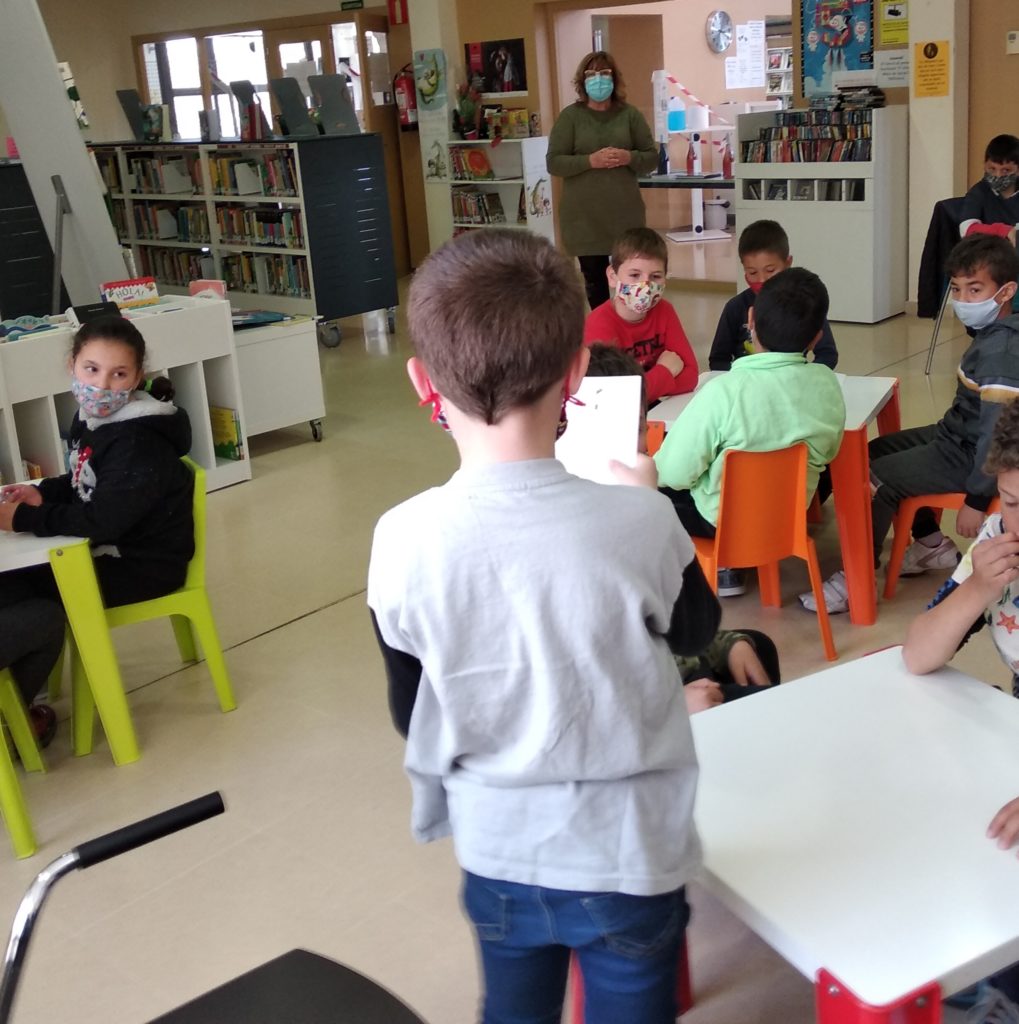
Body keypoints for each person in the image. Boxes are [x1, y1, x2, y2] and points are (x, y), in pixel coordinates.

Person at [367, 229, 719, 1024]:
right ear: (577, 373)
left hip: (498, 852)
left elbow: (412, 714)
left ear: (422, 380)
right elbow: (696, 631)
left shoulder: (399, 539)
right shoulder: (639, 521)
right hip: (629, 855)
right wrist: (650, 500)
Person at [0, 316, 194, 745]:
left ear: (136, 378)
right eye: (91, 369)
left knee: (27, 593)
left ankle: (14, 712)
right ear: (72, 365)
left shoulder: (136, 439)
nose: (102, 386)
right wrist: (41, 494)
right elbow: (83, 481)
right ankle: (15, 704)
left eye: (118, 374)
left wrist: (25, 519)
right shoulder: (93, 418)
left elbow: (103, 520)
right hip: (111, 544)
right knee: (17, 586)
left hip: (139, 564)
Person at [804, 235, 1019, 614]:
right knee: (871, 452)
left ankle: (857, 579)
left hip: (972, 454)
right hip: (956, 435)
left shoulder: (1000, 351)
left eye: (975, 290)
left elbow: (994, 438)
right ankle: (931, 543)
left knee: (871, 478)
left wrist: (976, 500)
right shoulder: (993, 335)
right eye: (957, 289)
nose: (963, 300)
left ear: (1006, 292)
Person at [902, 397, 1019, 1024]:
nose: (1018, 521)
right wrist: (977, 587)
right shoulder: (1000, 540)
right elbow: (919, 654)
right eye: (1012, 500)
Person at [583, 342, 779, 714]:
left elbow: (685, 622)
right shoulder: (584, 537)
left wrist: (727, 644)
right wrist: (672, 705)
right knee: (768, 708)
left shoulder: (633, 509)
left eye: (638, 429)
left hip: (674, 669)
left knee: (756, 647)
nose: (636, 449)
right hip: (644, 708)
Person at [654, 267, 845, 597]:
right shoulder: (826, 384)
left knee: (642, 490)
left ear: (751, 319)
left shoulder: (724, 391)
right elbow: (829, 451)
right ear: (817, 337)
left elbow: (673, 473)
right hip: (786, 519)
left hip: (719, 523)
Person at [547, 50, 657, 311]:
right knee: (596, 284)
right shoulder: (570, 117)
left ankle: (631, 327)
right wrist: (590, 161)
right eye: (591, 74)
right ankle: (604, 333)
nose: (598, 79)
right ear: (582, 81)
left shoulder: (629, 115)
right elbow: (554, 162)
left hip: (625, 216)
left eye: (604, 73)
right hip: (584, 219)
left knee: (633, 280)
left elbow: (652, 158)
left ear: (614, 78)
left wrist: (628, 157)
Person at [583, 227, 698, 404]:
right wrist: (665, 370)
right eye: (635, 275)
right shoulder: (598, 324)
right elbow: (613, 398)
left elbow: (691, 376)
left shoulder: (664, 310)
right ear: (612, 277)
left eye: (656, 276)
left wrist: (639, 390)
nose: (645, 286)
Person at [709, 219, 838, 371]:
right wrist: (739, 377)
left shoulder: (805, 303)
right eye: (752, 272)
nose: (762, 280)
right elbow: (718, 359)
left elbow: (827, 354)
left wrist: (806, 376)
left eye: (770, 270)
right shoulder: (735, 307)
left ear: (788, 263)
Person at [959, 134, 1019, 243]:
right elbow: (967, 229)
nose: (998, 175)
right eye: (992, 169)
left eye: (1006, 170)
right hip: (991, 250)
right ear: (985, 166)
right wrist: (1004, 231)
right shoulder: (979, 192)